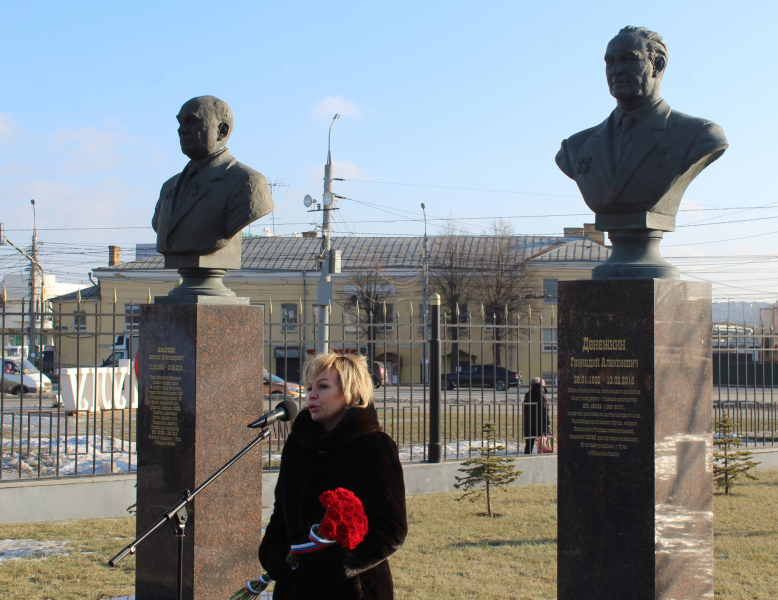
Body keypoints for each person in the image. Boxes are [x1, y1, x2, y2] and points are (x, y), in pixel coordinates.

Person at [259, 353, 407, 600]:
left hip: (351, 589)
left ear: (350, 392)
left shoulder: (373, 447)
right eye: (309, 388)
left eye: (323, 386)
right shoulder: (298, 445)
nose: (312, 395)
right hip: (295, 588)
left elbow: (392, 529)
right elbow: (282, 512)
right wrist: (273, 552)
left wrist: (337, 562)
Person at [555, 26, 727, 223]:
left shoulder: (699, 136)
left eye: (628, 59)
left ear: (658, 65)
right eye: (610, 62)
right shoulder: (575, 147)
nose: (616, 70)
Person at [151, 95, 274, 261]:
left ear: (221, 130)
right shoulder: (169, 186)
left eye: (191, 121)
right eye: (180, 122)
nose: (181, 130)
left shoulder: (248, 182)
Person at [522, 377, 551, 455]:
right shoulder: (542, 396)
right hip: (540, 424)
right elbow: (545, 412)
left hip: (529, 423)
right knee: (544, 444)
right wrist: (547, 425)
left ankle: (527, 458)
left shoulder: (528, 395)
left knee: (528, 445)